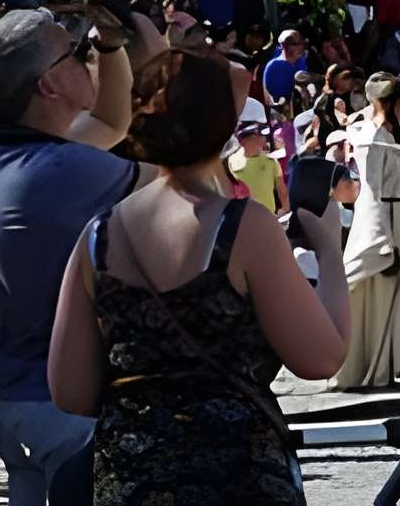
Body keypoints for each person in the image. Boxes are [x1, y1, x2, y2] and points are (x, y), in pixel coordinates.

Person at [48, 43, 348, 505]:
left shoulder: (98, 236)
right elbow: (322, 358)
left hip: (133, 478)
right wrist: (328, 249)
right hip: (236, 475)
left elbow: (69, 391)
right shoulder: (242, 225)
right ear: (224, 126)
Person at [0, 3, 162, 506]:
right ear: (48, 86)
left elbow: (110, 124)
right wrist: (166, 66)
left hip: (19, 396)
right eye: (74, 54)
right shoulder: (62, 170)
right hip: (68, 408)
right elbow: (184, 181)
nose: (84, 60)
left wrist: (110, 46)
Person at [332, 74, 400, 389]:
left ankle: (399, 361)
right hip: (381, 220)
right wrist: (382, 240)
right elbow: (373, 190)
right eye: (399, 100)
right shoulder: (369, 136)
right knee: (377, 295)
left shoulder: (398, 134)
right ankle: (378, 367)